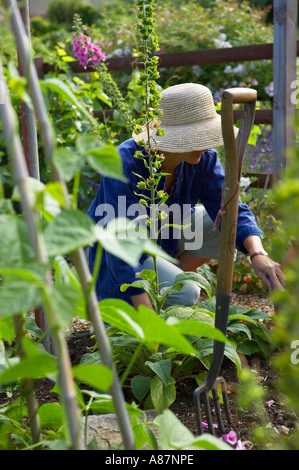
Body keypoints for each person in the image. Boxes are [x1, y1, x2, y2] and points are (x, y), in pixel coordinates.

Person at [87, 83, 285, 310]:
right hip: (116, 251)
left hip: (165, 235)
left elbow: (231, 207)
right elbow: (118, 244)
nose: (204, 145)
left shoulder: (204, 158)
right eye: (195, 138)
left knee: (223, 224)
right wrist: (149, 326)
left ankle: (166, 286)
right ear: (168, 137)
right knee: (187, 293)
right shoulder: (125, 162)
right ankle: (149, 297)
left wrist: (257, 253)